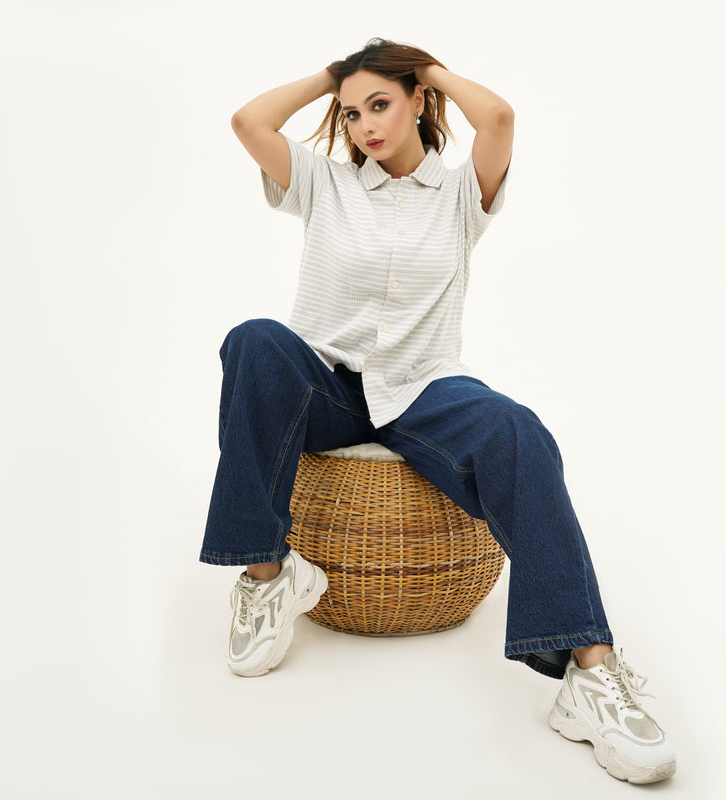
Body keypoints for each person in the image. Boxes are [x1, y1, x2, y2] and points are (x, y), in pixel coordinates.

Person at [200, 38, 675, 784]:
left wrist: (424, 70)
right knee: (254, 342)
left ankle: (589, 671)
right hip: (324, 383)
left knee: (520, 432)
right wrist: (336, 75)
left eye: (380, 104)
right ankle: (267, 579)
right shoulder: (324, 183)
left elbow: (501, 118)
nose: (363, 126)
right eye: (351, 114)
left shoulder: (460, 196)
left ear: (419, 100)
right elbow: (247, 122)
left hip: (423, 389)